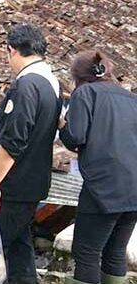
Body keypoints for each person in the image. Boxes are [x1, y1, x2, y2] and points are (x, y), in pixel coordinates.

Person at [0, 24, 61, 284]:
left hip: (12, 186)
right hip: (31, 183)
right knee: (19, 248)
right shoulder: (51, 83)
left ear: (12, 51)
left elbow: (13, 140)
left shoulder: (27, 85)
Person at [59, 50, 137, 284]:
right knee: (114, 252)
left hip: (103, 188)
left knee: (87, 253)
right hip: (133, 189)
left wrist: (62, 125)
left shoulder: (84, 94)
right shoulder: (130, 98)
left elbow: (76, 137)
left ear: (77, 77)